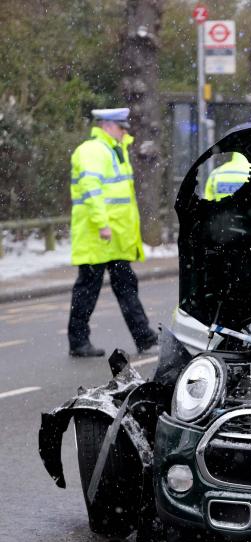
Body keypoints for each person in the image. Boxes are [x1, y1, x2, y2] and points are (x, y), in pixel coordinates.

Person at [67, 107, 157, 357]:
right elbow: (91, 190)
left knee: (125, 285)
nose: (124, 131)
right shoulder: (93, 151)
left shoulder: (113, 150)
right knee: (88, 289)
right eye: (121, 127)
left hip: (112, 236)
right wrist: (102, 224)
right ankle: (78, 341)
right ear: (107, 126)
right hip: (98, 235)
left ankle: (144, 337)